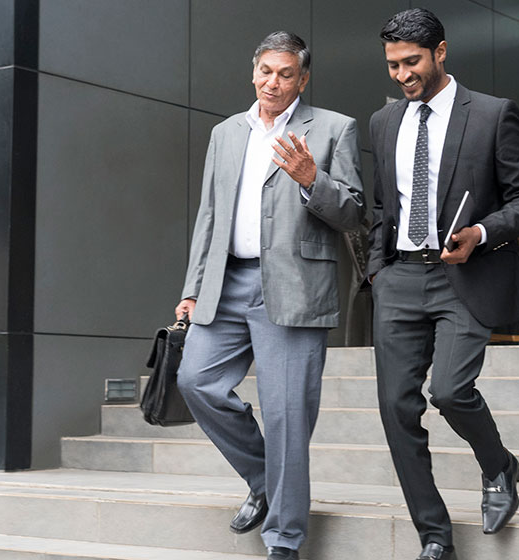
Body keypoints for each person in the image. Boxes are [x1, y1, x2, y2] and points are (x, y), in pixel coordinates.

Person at [173, 30, 365, 560]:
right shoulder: (226, 132)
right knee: (196, 381)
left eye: (285, 74)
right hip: (226, 282)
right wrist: (192, 289)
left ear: (303, 79)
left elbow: (352, 213)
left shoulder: (333, 129)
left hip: (295, 286)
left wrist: (311, 179)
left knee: (287, 416)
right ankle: (265, 479)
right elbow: (209, 216)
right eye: (265, 71)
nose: (273, 83)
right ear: (252, 73)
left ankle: (283, 538)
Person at [365, 8, 519, 560]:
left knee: (448, 390)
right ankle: (434, 536)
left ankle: (498, 466)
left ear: (441, 52)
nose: (402, 75)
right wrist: (378, 269)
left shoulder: (492, 114)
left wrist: (481, 232)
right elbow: (382, 204)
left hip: (463, 275)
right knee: (397, 410)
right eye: (393, 64)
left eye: (412, 61)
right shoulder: (384, 121)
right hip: (399, 277)